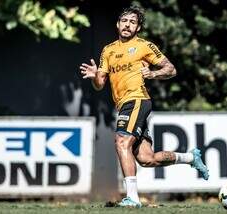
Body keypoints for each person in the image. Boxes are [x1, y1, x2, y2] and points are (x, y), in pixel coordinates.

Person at [80, 5, 209, 207]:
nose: (128, 25)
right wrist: (94, 76)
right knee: (147, 159)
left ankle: (132, 198)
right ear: (117, 24)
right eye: (125, 21)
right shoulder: (108, 50)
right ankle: (190, 157)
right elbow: (100, 85)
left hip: (137, 100)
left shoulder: (144, 46)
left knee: (122, 142)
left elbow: (171, 69)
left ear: (138, 28)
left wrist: (154, 74)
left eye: (133, 22)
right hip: (123, 105)